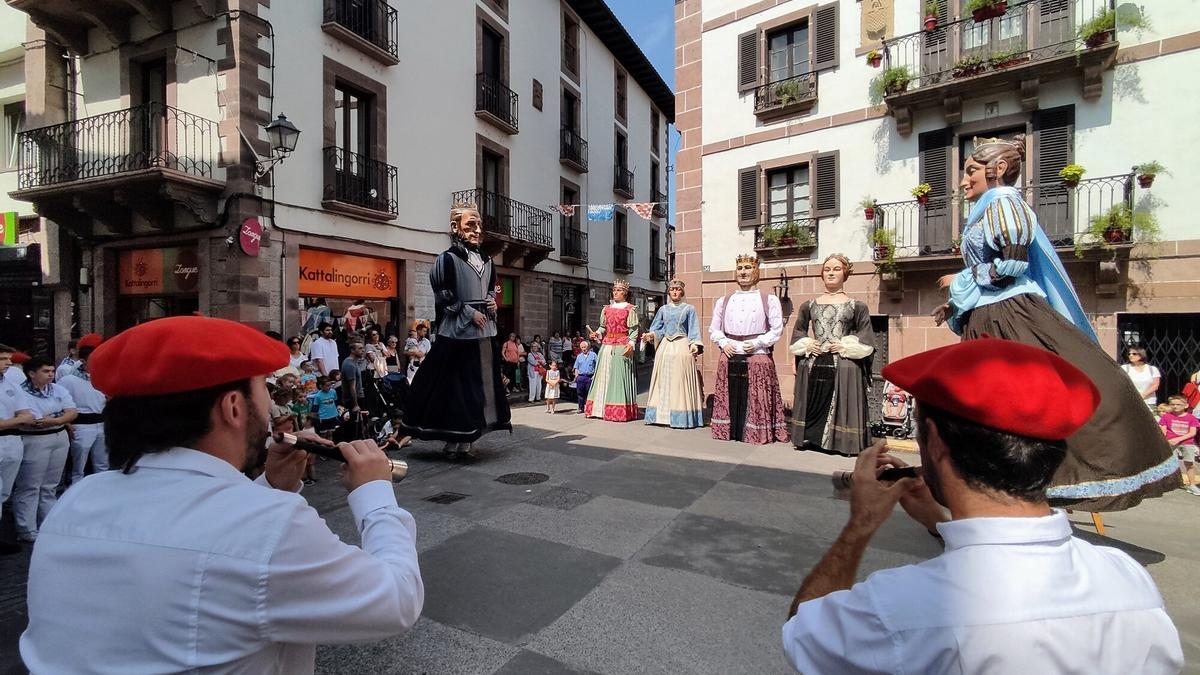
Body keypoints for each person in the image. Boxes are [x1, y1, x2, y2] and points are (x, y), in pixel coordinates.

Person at [20, 315, 423, 673]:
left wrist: (267, 487)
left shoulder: (75, 501)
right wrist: (375, 493)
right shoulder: (269, 525)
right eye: (262, 389)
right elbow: (396, 599)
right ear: (233, 406)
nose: (269, 407)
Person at [782, 338, 1184, 674]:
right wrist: (937, 524)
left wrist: (860, 525)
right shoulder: (1128, 580)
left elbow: (803, 633)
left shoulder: (897, 608)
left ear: (934, 441)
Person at [932, 135, 1176, 512]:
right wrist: (955, 303)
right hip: (991, 315)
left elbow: (1011, 267)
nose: (963, 181)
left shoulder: (1003, 204)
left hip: (1008, 316)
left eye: (970, 172)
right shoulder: (989, 208)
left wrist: (960, 279)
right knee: (992, 411)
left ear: (997, 170)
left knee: (1018, 402)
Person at [400, 201, 511, 458]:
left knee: (480, 386)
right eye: (471, 224)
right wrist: (468, 311)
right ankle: (452, 439)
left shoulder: (487, 260)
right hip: (458, 334)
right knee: (455, 388)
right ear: (455, 227)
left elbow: (492, 289)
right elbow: (444, 294)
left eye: (479, 225)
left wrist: (493, 304)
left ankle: (470, 436)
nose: (477, 230)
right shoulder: (446, 260)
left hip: (484, 334)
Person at [789, 254, 874, 455]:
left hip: (842, 361)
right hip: (815, 360)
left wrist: (846, 345)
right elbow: (798, 331)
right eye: (827, 269)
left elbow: (866, 335)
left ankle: (842, 442)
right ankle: (809, 437)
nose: (831, 273)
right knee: (814, 398)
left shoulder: (857, 306)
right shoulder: (809, 305)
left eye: (836, 269)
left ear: (845, 273)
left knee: (838, 399)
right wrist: (808, 344)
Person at [709, 254, 788, 444]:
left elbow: (777, 329)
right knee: (729, 393)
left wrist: (759, 343)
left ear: (756, 271)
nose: (743, 272)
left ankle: (756, 431)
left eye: (747, 268)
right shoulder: (724, 300)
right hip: (730, 351)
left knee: (756, 395)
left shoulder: (769, 299)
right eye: (740, 268)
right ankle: (728, 430)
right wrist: (723, 342)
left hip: (757, 353)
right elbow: (714, 328)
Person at [12, 357, 78, 543]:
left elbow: (72, 411)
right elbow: (32, 419)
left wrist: (56, 419)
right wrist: (60, 416)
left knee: (50, 484)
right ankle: (26, 528)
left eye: (51, 371)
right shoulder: (20, 392)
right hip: (35, 440)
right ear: (32, 373)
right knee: (30, 484)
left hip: (58, 436)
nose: (50, 375)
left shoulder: (57, 389)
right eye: (45, 371)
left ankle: (48, 522)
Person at [642, 278, 704, 428]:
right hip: (664, 348)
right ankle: (660, 415)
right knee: (663, 380)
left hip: (681, 345)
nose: (675, 292)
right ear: (669, 292)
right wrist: (651, 335)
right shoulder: (663, 309)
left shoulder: (689, 309)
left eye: (677, 290)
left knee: (679, 381)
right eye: (672, 290)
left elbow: (693, 329)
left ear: (682, 292)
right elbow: (658, 328)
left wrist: (695, 344)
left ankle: (680, 417)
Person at [584, 279, 640, 422]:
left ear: (625, 293)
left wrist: (631, 344)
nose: (615, 292)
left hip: (622, 345)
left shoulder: (630, 309)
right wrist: (597, 333)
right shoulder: (606, 309)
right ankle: (599, 409)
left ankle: (618, 410)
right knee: (603, 375)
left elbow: (634, 330)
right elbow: (603, 327)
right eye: (614, 290)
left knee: (618, 377)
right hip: (607, 345)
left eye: (619, 290)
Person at [57, 333, 108, 487]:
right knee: (78, 466)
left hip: (101, 423)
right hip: (81, 425)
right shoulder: (68, 380)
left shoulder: (102, 377)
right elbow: (60, 403)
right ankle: (73, 491)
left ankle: (101, 491)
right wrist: (67, 424)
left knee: (102, 464)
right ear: (83, 361)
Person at [0, 344, 34, 554]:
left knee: (5, 492)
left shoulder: (11, 383)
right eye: (3, 359)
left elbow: (27, 414)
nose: (9, 363)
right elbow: (20, 417)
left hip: (12, 442)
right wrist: (15, 420)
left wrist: (9, 422)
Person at [1159, 395, 1200, 495]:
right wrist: (1165, 441)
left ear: (1186, 405)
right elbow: (1163, 430)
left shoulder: (1191, 418)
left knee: (1189, 464)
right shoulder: (1166, 416)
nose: (1175, 406)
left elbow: (1192, 433)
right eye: (1172, 404)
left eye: (1178, 404)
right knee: (1167, 463)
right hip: (1170, 442)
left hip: (1187, 443)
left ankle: (1192, 485)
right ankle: (1163, 484)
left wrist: (1178, 439)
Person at [573, 340, 597, 414]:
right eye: (582, 347)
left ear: (588, 347)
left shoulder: (593, 355)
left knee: (589, 394)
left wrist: (594, 376)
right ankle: (580, 408)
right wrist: (576, 377)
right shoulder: (579, 356)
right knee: (580, 394)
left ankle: (589, 409)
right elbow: (576, 367)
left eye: (585, 347)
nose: (583, 349)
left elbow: (597, 366)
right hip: (581, 377)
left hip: (589, 377)